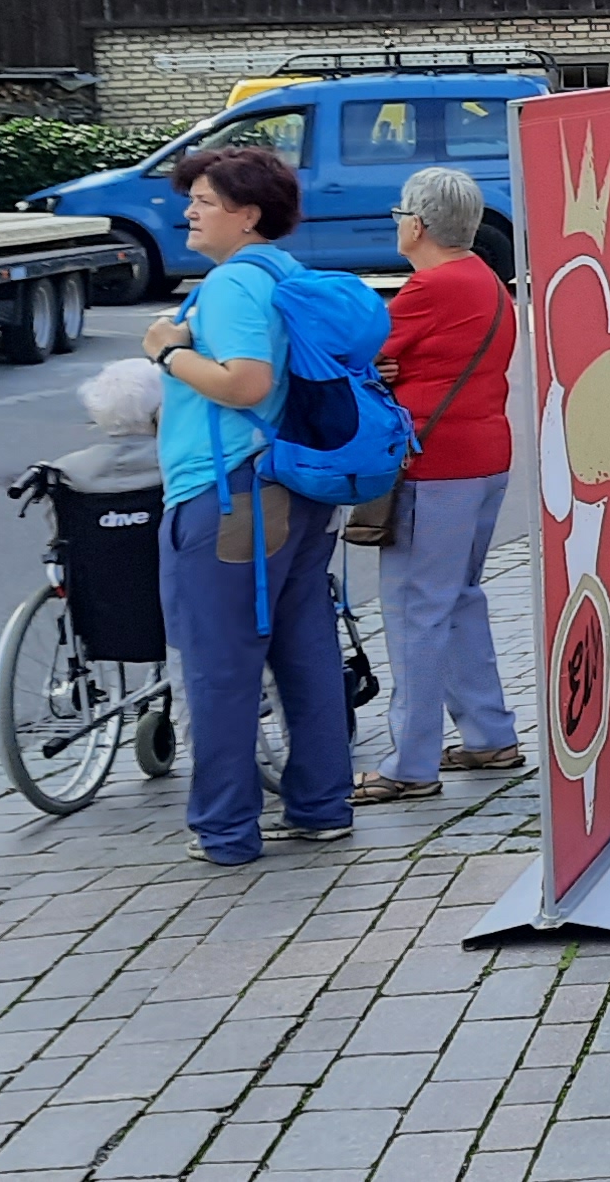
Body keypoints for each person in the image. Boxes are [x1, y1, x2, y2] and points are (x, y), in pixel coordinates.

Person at [140, 146, 356, 865]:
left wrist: (169, 352)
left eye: (202, 200)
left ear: (248, 214)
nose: (189, 212)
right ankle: (322, 806)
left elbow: (245, 383)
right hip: (293, 486)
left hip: (228, 492)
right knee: (305, 653)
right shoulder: (284, 274)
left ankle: (227, 830)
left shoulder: (232, 285)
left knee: (221, 667)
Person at [353, 166, 524, 805]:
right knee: (458, 599)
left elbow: (353, 353)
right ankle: (487, 733)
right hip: (485, 455)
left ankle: (410, 763)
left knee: (414, 612)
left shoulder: (429, 288)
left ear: (416, 224)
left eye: (400, 213)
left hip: (435, 462)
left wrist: (378, 363)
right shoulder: (484, 278)